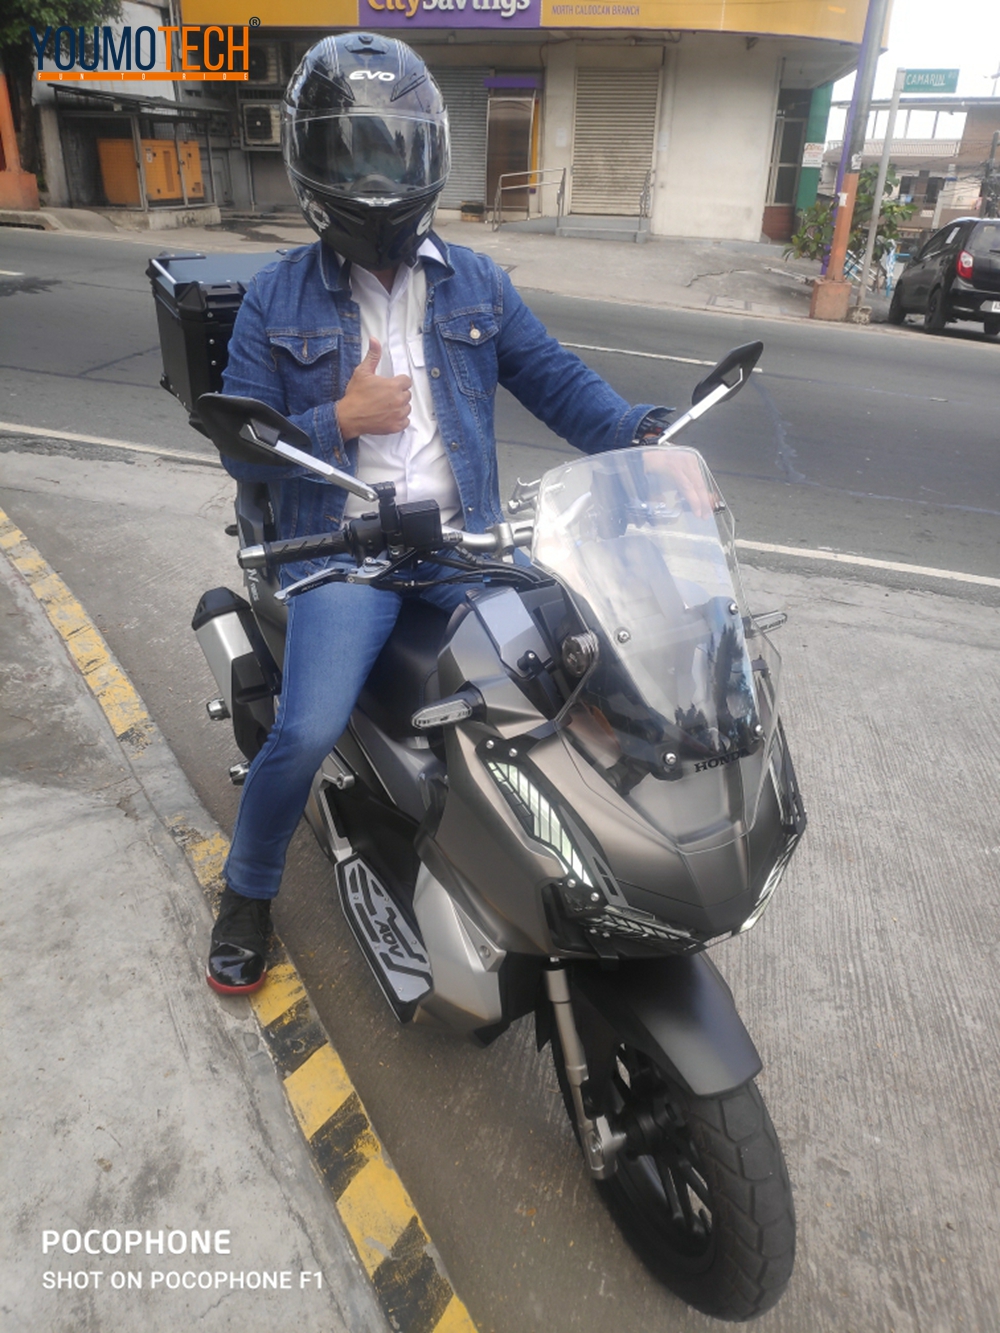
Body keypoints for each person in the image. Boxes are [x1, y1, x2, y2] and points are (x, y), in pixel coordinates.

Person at [206, 31, 680, 994]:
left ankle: (601, 863)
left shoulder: (477, 283)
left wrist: (643, 437)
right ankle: (247, 891)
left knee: (593, 672)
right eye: (353, 156)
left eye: (395, 152)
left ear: (430, 155)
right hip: (345, 556)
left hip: (466, 548)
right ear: (311, 161)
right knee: (305, 730)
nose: (376, 179)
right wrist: (341, 419)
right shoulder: (274, 295)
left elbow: (558, 382)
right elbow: (239, 445)